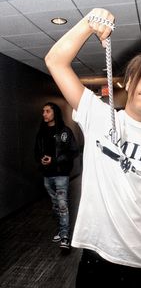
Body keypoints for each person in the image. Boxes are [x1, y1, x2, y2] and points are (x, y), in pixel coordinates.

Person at [45, 8, 141, 286]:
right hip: (96, 258)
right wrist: (88, 23)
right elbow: (55, 61)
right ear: (130, 81)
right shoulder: (97, 116)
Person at [35, 102, 79, 250]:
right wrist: (41, 159)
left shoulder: (64, 131)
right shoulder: (41, 132)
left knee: (62, 205)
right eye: (43, 111)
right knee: (56, 205)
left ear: (55, 113)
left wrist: (54, 160)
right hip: (47, 176)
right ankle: (61, 230)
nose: (44, 114)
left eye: (47, 111)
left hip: (61, 174)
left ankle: (65, 237)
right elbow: (36, 151)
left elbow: (73, 152)